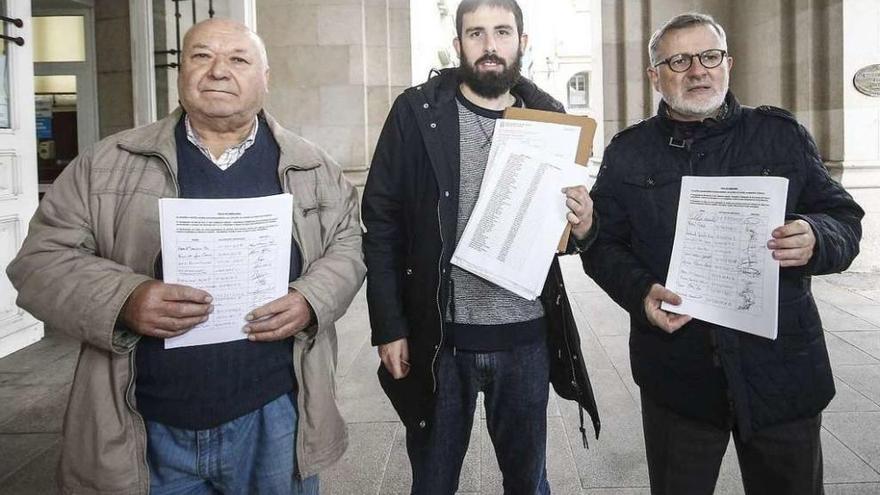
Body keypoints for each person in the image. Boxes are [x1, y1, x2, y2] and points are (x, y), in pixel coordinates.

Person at [7, 18, 365, 495]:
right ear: (180, 73)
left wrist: (311, 298)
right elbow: (39, 261)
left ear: (265, 76)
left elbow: (349, 244)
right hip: (145, 419)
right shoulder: (108, 162)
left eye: (238, 59)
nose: (219, 71)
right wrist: (125, 298)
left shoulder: (312, 165)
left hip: (276, 412)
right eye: (201, 56)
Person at [583, 12, 864, 495]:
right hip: (679, 377)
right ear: (655, 75)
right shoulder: (628, 153)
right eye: (679, 60)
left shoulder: (780, 135)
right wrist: (641, 291)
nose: (698, 70)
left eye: (710, 56)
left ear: (727, 63)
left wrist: (817, 235)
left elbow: (845, 219)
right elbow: (602, 244)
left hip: (781, 372)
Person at [362, 1, 600, 493]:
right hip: (440, 338)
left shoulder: (551, 118)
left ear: (522, 42)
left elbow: (564, 239)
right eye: (476, 34)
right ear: (458, 45)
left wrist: (583, 224)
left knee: (528, 481)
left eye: (502, 32)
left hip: (525, 336)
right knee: (433, 480)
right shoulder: (416, 112)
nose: (490, 46)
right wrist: (389, 326)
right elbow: (381, 223)